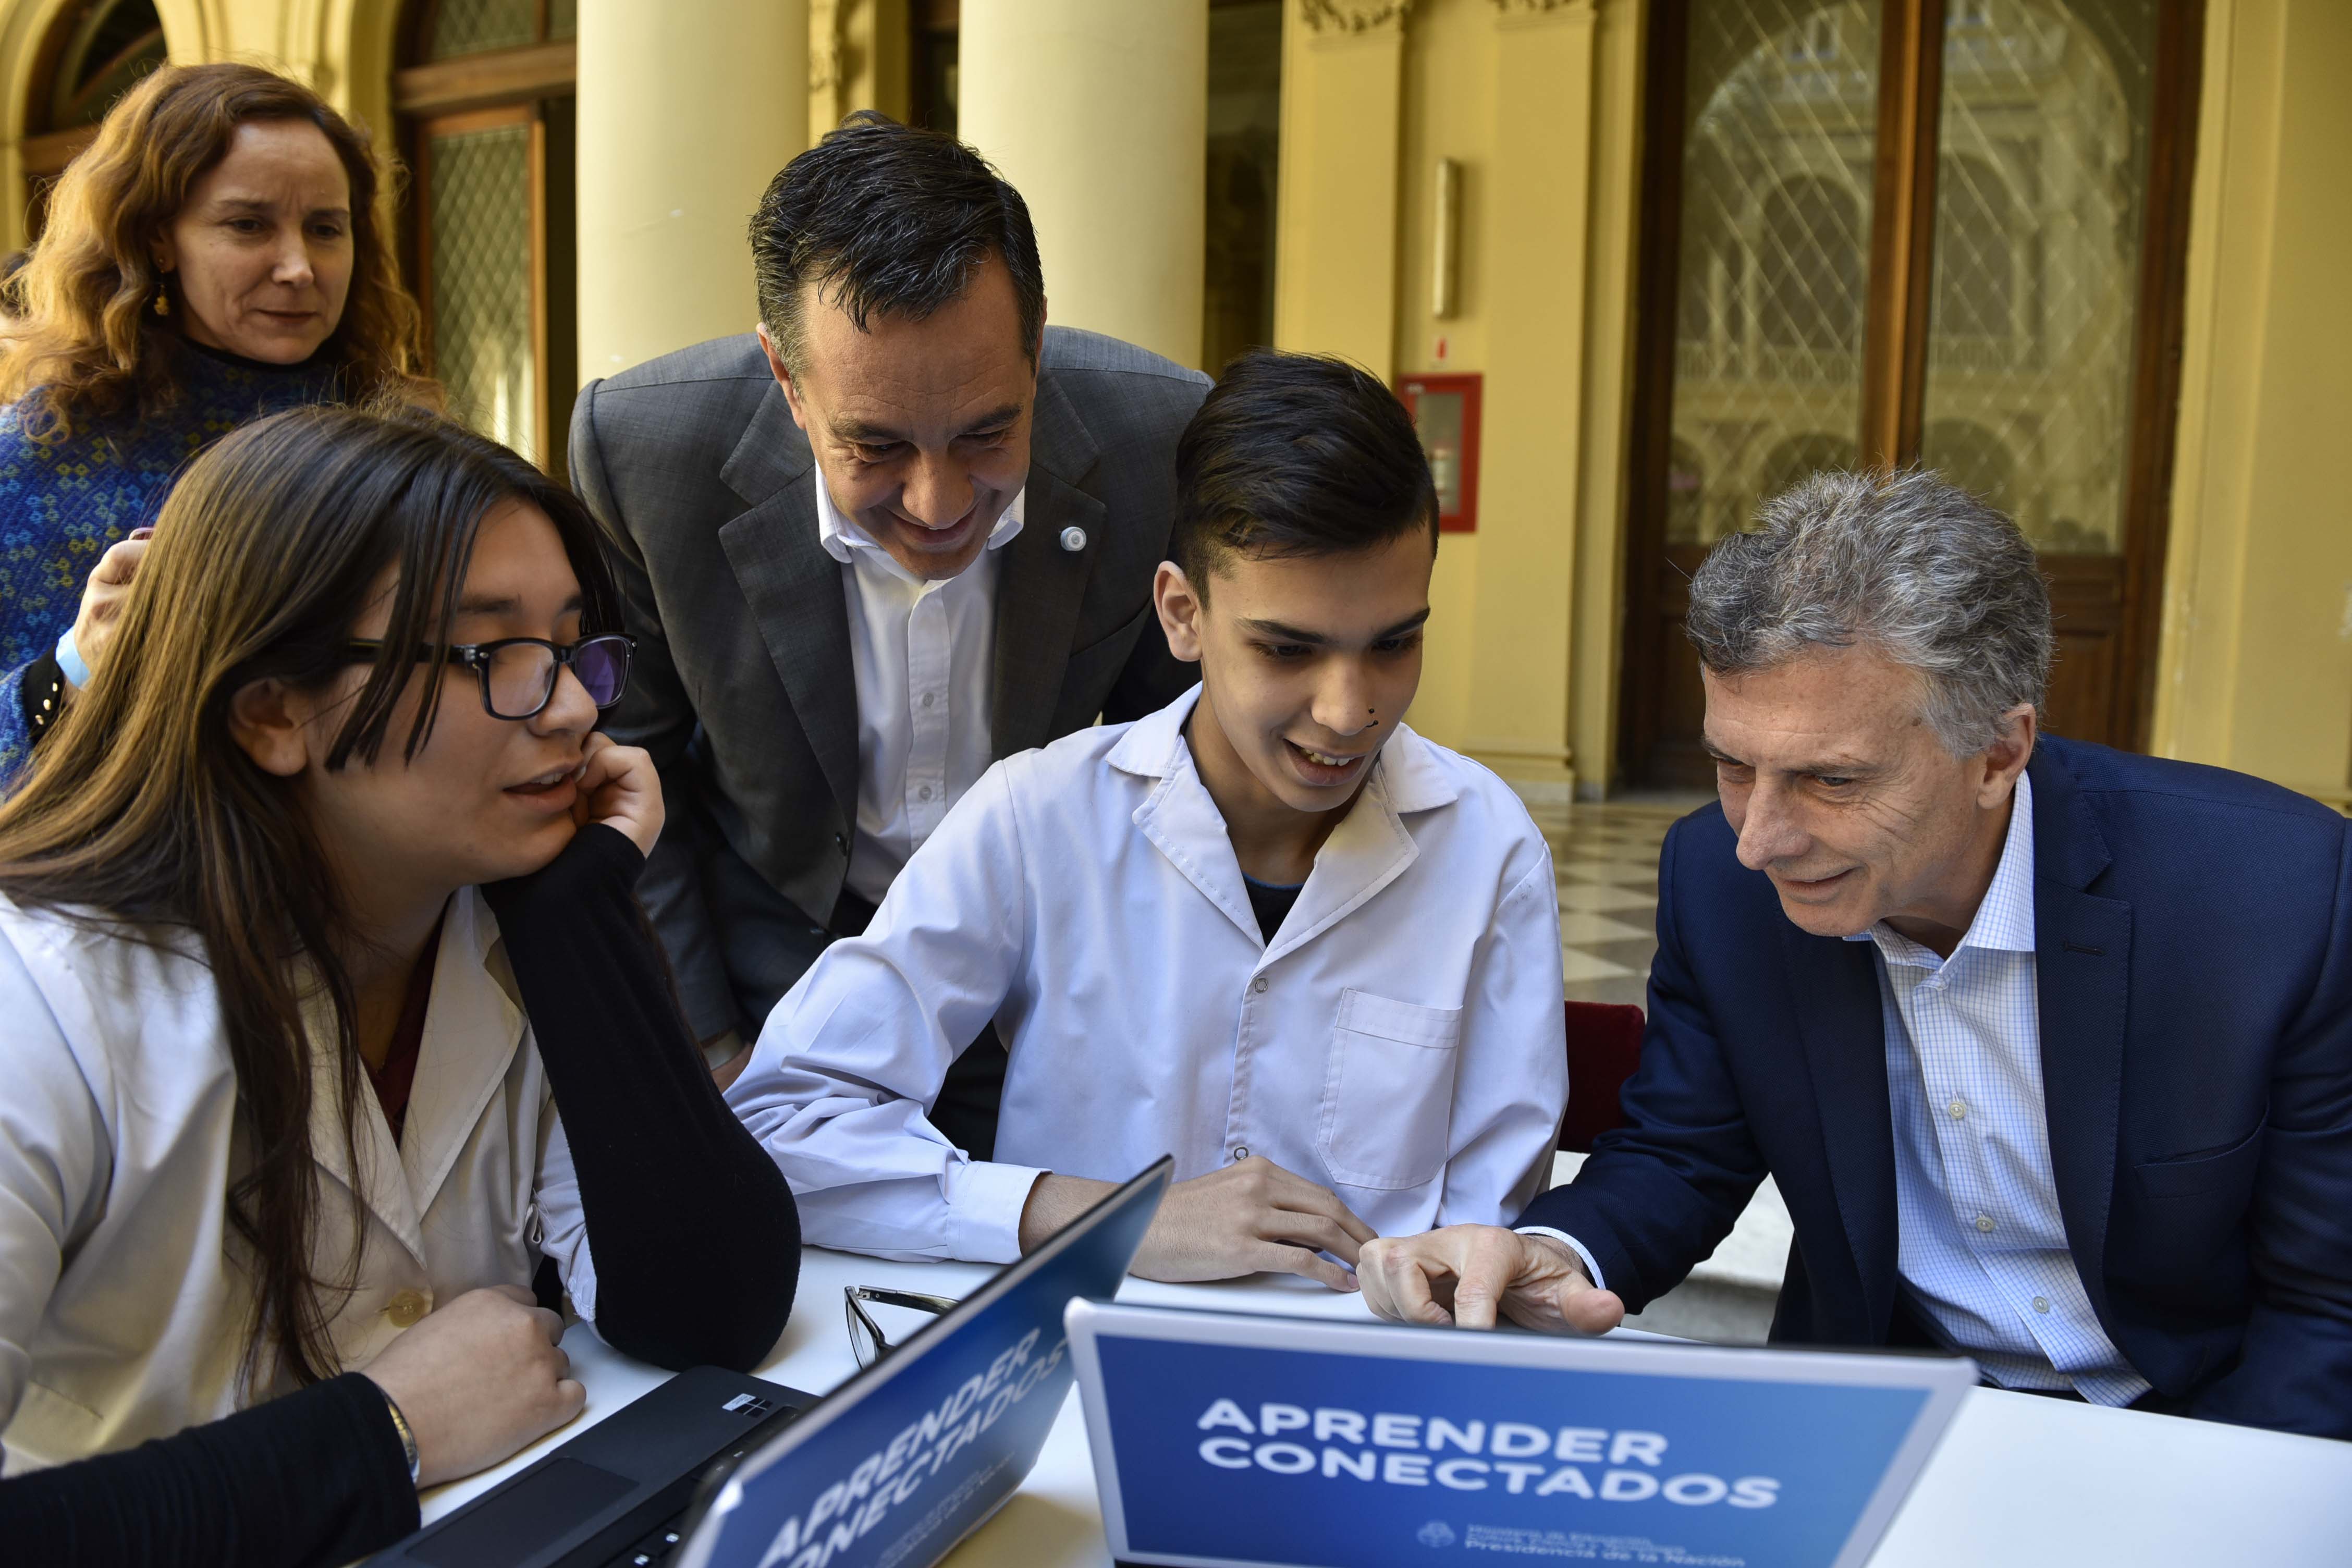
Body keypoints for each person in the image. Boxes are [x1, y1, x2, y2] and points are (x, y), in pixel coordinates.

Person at [1355, 469, 2352, 1440]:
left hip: (2200, 1423)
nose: (1761, 840)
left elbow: (2329, 1305)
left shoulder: (2273, 899)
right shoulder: (1719, 878)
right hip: (1880, 1416)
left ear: (2000, 753)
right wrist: (1553, 1251)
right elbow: (1683, 1154)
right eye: (1734, 766)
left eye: (1831, 780)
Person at [0, 406, 801, 1564]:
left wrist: (583, 916)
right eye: (497, 657)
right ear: (273, 709)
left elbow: (708, 1307)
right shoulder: (44, 994)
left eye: (575, 649)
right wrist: (386, 1429)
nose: (576, 708)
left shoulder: (490, 908)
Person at [727, 350, 1567, 1290]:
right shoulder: (1039, 820)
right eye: (1288, 649)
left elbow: (1495, 1226)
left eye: (1394, 644)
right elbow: (782, 1122)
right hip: (1077, 1380)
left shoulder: (1488, 850)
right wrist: (1105, 1218)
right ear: (1182, 614)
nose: (1347, 709)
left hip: (1363, 1391)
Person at [570, 112, 1206, 1144]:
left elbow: (1168, 764)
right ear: (785, 377)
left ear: (1036, 346)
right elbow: (635, 766)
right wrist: (709, 1045)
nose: (940, 498)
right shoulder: (643, 454)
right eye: (875, 445)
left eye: (988, 432)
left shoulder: (1158, 440)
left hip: (1041, 998)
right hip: (772, 989)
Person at [0, 62, 430, 781]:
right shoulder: (34, 458)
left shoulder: (415, 449)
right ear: (157, 238)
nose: (298, 266)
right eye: (248, 224)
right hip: (125, 886)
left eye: (326, 228)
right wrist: (73, 666)